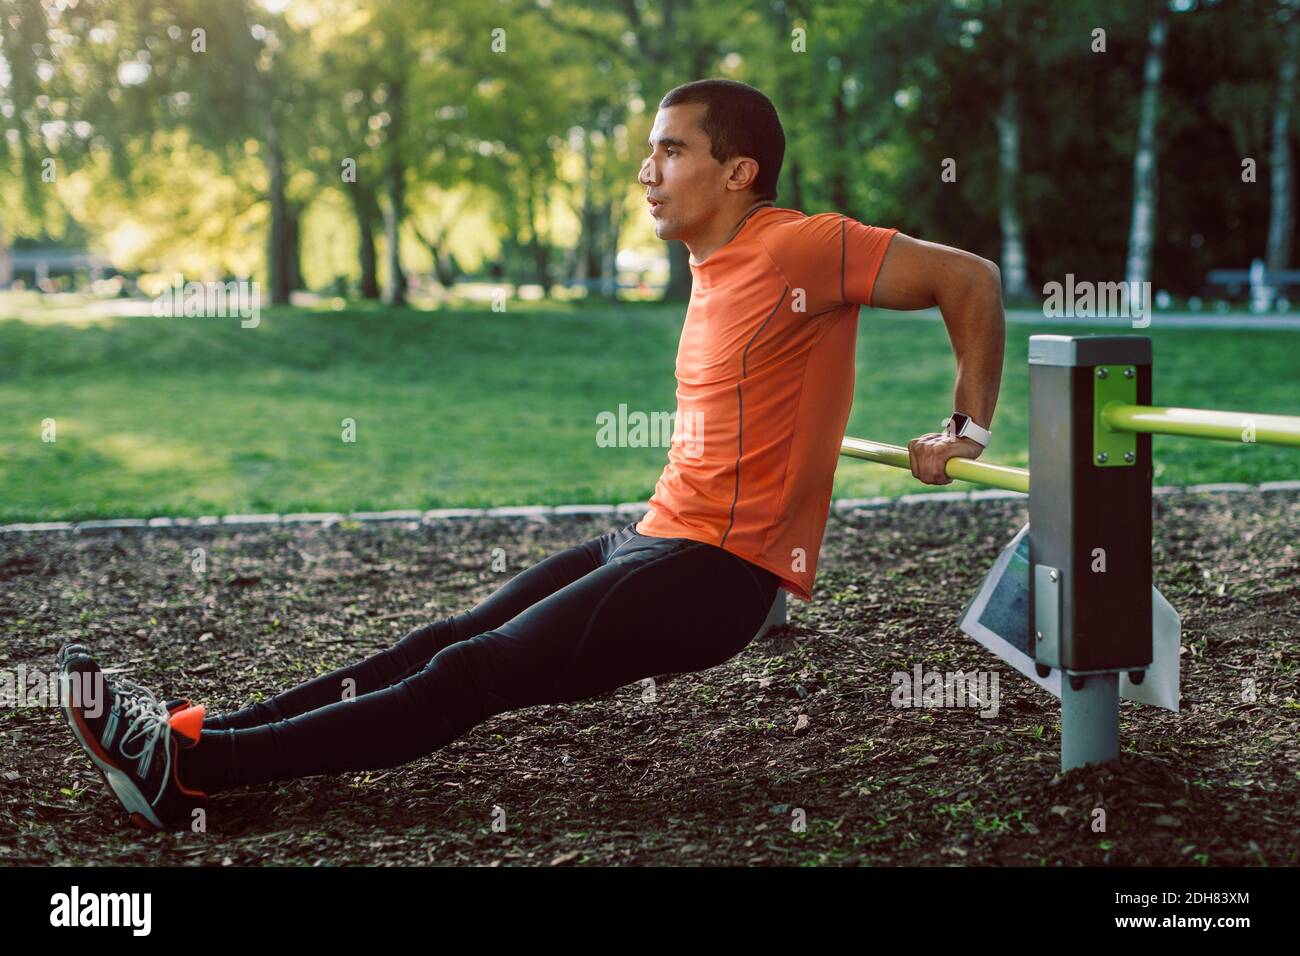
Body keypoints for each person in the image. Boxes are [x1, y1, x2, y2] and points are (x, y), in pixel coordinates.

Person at [58, 78, 1006, 832]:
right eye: (650, 150)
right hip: (655, 536)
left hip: (719, 572)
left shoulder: (800, 246)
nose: (646, 170)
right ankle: (192, 736)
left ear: (739, 172)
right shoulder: (712, 262)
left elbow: (969, 279)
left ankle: (187, 773)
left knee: (474, 672)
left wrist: (965, 429)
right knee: (441, 641)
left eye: (672, 150)